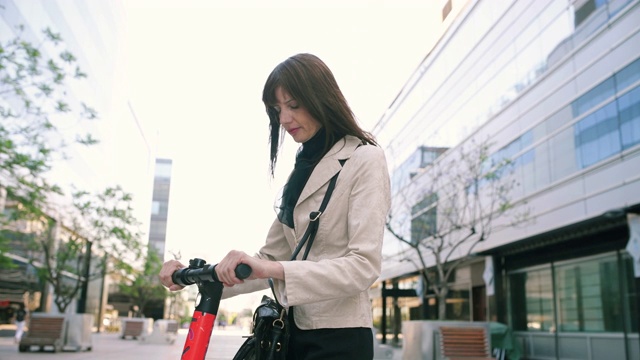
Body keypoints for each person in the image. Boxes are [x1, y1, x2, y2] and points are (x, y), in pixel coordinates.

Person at [159, 53, 391, 359]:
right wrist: (194, 276)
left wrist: (271, 268)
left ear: (321, 98)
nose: (283, 119)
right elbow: (267, 259)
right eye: (277, 109)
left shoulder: (365, 159)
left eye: (293, 105)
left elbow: (363, 266)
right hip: (286, 334)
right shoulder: (301, 172)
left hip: (339, 340)